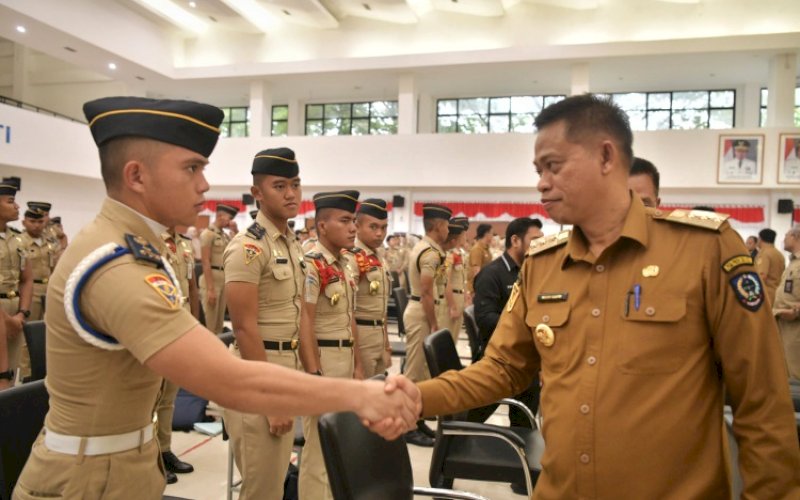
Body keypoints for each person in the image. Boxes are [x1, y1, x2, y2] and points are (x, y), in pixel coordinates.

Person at [12, 97, 419, 499]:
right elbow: (226, 378)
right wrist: (358, 396)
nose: (204, 184)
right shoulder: (115, 264)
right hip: (88, 481)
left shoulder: (137, 248)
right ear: (136, 176)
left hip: (120, 467)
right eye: (191, 168)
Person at [415, 94, 800, 498]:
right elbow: (503, 369)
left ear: (605, 156)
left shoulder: (704, 250)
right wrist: (416, 397)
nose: (542, 182)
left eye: (553, 166)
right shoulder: (543, 264)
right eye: (538, 170)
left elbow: (761, 401)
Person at [223, 147, 306, 500]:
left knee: (274, 482)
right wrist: (270, 401)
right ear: (257, 192)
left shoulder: (290, 243)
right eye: (279, 186)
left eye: (295, 185)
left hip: (285, 368)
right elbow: (244, 327)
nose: (290, 194)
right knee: (262, 490)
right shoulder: (248, 248)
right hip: (258, 374)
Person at [298, 190, 365, 500]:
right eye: (345, 221)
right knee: (318, 449)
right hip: (323, 360)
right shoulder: (312, 264)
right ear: (322, 226)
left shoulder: (345, 263)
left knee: (337, 445)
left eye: (353, 221)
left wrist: (358, 366)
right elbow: (305, 322)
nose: (353, 228)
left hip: (344, 358)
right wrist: (313, 374)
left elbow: (349, 316)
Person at [402, 202, 452, 447]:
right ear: (439, 226)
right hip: (421, 313)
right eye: (446, 226)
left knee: (422, 372)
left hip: (423, 311)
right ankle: (407, 426)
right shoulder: (430, 253)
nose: (448, 230)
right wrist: (433, 323)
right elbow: (426, 292)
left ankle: (417, 418)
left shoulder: (428, 248)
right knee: (413, 372)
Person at [156, 223, 200, 484]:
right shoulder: (150, 239)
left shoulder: (184, 244)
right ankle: (150, 457)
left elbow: (192, 288)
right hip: (159, 325)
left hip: (181, 324)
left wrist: (195, 325)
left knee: (169, 395)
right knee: (152, 396)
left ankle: (164, 449)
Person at [349, 198, 393, 379]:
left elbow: (381, 306)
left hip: (379, 334)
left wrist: (386, 344)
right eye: (373, 227)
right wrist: (357, 361)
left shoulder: (378, 256)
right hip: (361, 336)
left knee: (379, 386)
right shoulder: (351, 257)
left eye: (384, 227)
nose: (380, 233)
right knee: (363, 390)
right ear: (357, 226)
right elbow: (348, 312)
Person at [17, 206, 59, 380]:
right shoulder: (20, 242)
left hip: (48, 289)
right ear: (24, 222)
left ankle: (44, 374)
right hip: (30, 291)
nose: (36, 225)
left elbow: (55, 267)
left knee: (48, 332)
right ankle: (26, 375)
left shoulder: (50, 242)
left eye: (40, 221)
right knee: (27, 335)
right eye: (32, 221)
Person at [0, 176, 33, 380]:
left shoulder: (18, 239)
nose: (17, 206)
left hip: (15, 310)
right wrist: (6, 319)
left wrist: (21, 314)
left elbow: (27, 279)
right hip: (2, 312)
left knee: (10, 371)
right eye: (10, 201)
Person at [199, 202, 238, 333]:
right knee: (210, 321)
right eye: (229, 218)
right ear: (220, 216)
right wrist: (210, 289)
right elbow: (205, 261)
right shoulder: (208, 234)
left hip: (224, 279)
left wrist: (235, 230)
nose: (230, 222)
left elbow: (239, 247)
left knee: (219, 322)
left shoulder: (225, 235)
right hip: (212, 280)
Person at [774, 225, 800, 381]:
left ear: (796, 237)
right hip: (783, 324)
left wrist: (796, 312)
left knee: (795, 374)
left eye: (786, 235)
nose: (784, 239)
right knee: (785, 373)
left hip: (795, 327)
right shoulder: (793, 262)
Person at [443, 217, 469, 343]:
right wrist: (452, 306)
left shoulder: (461, 253)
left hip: (459, 297)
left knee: (455, 336)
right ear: (458, 236)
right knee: (448, 336)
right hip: (451, 297)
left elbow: (463, 279)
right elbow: (445, 281)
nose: (466, 237)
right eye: (464, 234)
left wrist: (466, 296)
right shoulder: (449, 254)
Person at [756, 228, 786, 306]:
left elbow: (762, 275)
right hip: (777, 293)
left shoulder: (764, 253)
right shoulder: (779, 254)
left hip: (766, 293)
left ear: (760, 239)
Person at [467, 223, 493, 293]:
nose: (492, 236)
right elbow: (476, 271)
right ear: (486, 234)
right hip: (478, 288)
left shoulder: (486, 248)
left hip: (485, 285)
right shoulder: (477, 249)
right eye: (491, 233)